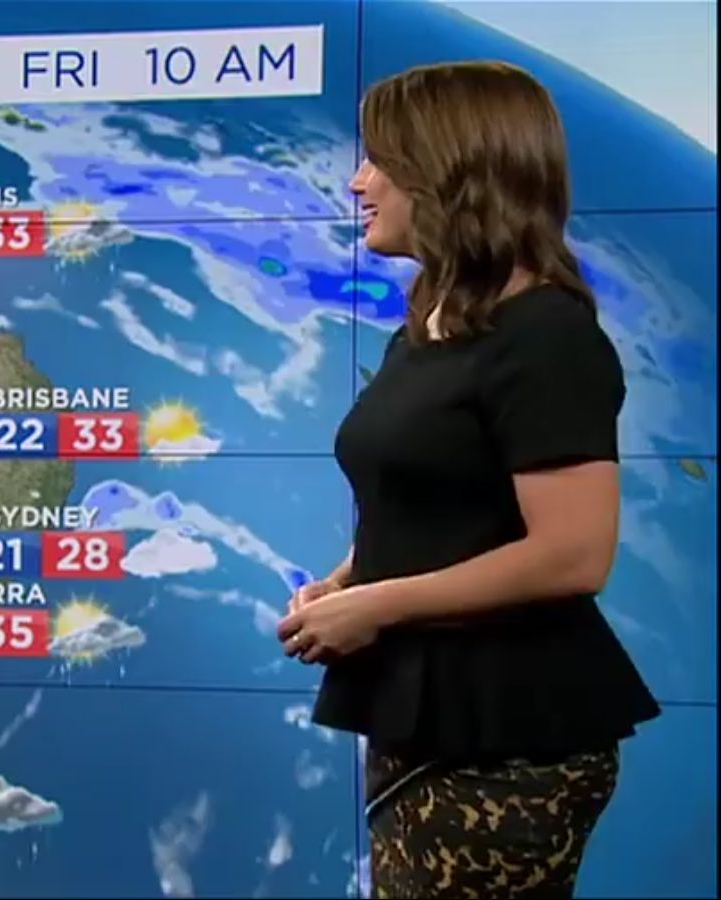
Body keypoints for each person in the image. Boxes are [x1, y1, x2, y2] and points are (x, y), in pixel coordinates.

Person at [275, 61, 662, 898]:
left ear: (448, 173)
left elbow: (572, 555)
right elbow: (440, 501)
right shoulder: (432, 326)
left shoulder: (547, 338)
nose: (359, 182)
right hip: (426, 718)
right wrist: (345, 582)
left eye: (381, 160)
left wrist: (374, 607)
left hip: (509, 738)